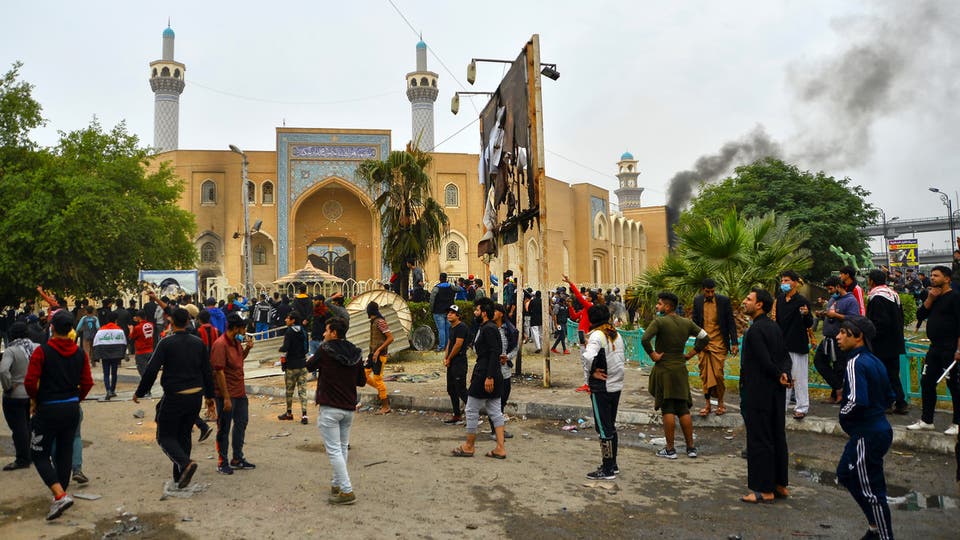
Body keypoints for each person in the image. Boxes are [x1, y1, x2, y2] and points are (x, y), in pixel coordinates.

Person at [133, 308, 217, 490]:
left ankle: (185, 464)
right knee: (184, 435)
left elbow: (151, 369)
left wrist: (140, 392)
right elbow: (207, 371)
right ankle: (180, 478)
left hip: (175, 396)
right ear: (188, 321)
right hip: (195, 396)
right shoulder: (198, 343)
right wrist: (210, 397)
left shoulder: (166, 343)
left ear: (171, 322)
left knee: (164, 437)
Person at [24, 310, 93, 520]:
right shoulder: (79, 353)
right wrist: (76, 399)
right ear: (71, 329)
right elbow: (87, 382)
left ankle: (59, 495)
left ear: (52, 327)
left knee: (38, 453)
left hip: (48, 408)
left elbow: (30, 381)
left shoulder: (42, 352)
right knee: (64, 452)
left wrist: (35, 399)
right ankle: (61, 495)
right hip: (71, 408)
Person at [835, 317, 895, 540]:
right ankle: (874, 527)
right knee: (845, 473)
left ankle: (882, 535)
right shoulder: (875, 361)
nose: (838, 337)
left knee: (872, 492)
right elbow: (890, 396)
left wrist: (843, 415)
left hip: (867, 434)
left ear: (858, 336)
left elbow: (856, 400)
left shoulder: (855, 362)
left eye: (843, 332)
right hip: (878, 430)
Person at [738, 288, 792, 504]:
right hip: (776, 392)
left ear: (759, 304)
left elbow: (763, 360)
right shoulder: (774, 327)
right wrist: (784, 374)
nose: (744, 302)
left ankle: (764, 489)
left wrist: (778, 373)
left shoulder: (755, 331)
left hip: (758, 391)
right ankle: (780, 484)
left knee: (759, 439)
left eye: (748, 299)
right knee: (776, 435)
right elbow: (785, 356)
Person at [305, 316, 365, 505]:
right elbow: (361, 381)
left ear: (334, 333)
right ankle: (337, 484)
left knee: (334, 450)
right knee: (342, 448)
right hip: (348, 408)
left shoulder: (325, 350)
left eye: (327, 330)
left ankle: (346, 490)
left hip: (330, 407)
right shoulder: (356, 352)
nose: (324, 333)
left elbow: (309, 366)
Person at [641, 292, 709, 459]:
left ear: (667, 306)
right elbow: (705, 337)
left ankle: (670, 449)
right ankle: (691, 448)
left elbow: (644, 339)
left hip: (664, 369)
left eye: (659, 304)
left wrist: (653, 355)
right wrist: (691, 354)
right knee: (683, 408)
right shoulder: (687, 323)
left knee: (668, 408)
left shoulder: (659, 322)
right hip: (680, 368)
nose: (657, 306)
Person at [451, 302, 507, 459]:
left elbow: (494, 352)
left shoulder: (488, 329)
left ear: (484, 313)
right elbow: (494, 353)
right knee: (495, 411)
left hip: (485, 374)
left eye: (477, 310)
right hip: (489, 372)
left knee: (471, 409)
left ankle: (469, 446)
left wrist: (489, 376)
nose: (474, 312)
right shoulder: (488, 327)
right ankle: (500, 448)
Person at [908, 266, 960, 434]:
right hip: (935, 348)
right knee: (927, 382)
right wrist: (930, 298)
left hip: (950, 348)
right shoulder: (934, 296)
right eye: (931, 275)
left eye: (936, 275)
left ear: (947, 279)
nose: (932, 278)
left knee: (954, 385)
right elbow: (920, 315)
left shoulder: (955, 297)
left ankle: (957, 423)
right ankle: (926, 420)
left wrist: (959, 350)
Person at [582, 305, 626, 480]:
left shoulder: (596, 336)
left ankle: (607, 468)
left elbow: (588, 356)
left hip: (602, 386)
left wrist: (591, 373)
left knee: (603, 428)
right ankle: (612, 464)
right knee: (610, 426)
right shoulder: (615, 334)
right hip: (616, 384)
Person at [211, 313, 255, 474]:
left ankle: (237, 457)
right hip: (226, 393)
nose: (245, 330)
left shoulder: (236, 343)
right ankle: (222, 461)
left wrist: (247, 349)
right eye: (243, 327)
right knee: (224, 427)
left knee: (241, 423)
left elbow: (239, 360)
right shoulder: (220, 344)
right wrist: (226, 398)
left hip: (239, 391)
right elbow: (219, 372)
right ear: (236, 328)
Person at [691, 278, 739, 417]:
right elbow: (695, 323)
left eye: (712, 291)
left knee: (718, 374)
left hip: (719, 343)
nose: (710, 294)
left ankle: (721, 403)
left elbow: (730, 322)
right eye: (708, 292)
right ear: (703, 290)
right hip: (703, 344)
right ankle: (707, 405)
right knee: (705, 375)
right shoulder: (697, 301)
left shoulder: (723, 301)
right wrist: (700, 341)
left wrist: (734, 343)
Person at [813, 276, 861, 404]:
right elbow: (830, 315)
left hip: (841, 339)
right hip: (828, 338)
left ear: (838, 287)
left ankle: (837, 394)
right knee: (819, 361)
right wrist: (823, 314)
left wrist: (836, 315)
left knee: (839, 367)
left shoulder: (850, 300)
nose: (829, 292)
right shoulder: (833, 299)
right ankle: (838, 388)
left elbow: (854, 318)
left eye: (830, 289)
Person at [866, 270, 908, 415]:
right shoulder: (893, 295)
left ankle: (887, 403)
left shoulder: (877, 297)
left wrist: (871, 337)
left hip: (882, 343)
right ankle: (901, 403)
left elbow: (879, 322)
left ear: (871, 281)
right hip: (895, 341)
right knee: (893, 374)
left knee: (882, 374)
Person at [774, 270, 814, 420]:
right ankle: (781, 406)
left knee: (799, 378)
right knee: (783, 377)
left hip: (797, 344)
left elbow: (809, 323)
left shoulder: (802, 301)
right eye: (782, 281)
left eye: (787, 280)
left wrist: (806, 314)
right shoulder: (780, 300)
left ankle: (801, 407)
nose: (783, 283)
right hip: (782, 345)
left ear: (795, 282)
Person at [1, 322, 37, 471]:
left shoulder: (11, 350)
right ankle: (32, 454)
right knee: (28, 425)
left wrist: (8, 387)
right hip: (33, 393)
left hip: (16, 394)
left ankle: (23, 458)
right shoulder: (36, 348)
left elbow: (3, 370)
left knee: (18, 427)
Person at [563, 274, 595, 392]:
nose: (585, 297)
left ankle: (589, 384)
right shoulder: (585, 309)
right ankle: (587, 383)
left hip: (586, 336)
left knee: (587, 360)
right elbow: (574, 316)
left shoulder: (589, 307)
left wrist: (571, 283)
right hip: (582, 336)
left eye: (587, 295)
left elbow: (579, 297)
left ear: (591, 298)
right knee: (584, 360)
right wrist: (570, 307)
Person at [277, 311, 310, 424]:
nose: (286, 320)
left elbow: (285, 348)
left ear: (293, 320)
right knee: (303, 391)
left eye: (288, 318)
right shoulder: (304, 331)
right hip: (302, 365)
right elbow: (306, 349)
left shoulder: (289, 332)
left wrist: (280, 349)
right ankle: (304, 415)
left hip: (291, 366)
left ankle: (289, 413)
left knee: (289, 391)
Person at [492, 303, 518, 439]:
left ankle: (499, 428)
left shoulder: (509, 329)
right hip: (491, 370)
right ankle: (495, 430)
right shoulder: (487, 328)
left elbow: (515, 347)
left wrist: (507, 357)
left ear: (501, 314)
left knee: (502, 400)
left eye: (495, 311)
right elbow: (478, 347)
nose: (492, 313)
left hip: (505, 370)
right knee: (493, 401)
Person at [364, 302, 393, 414]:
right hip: (372, 354)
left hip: (379, 355)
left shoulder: (380, 322)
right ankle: (381, 391)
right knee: (364, 376)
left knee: (378, 379)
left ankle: (386, 406)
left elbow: (390, 338)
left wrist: (378, 350)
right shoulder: (373, 321)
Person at [442, 305, 469, 424]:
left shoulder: (461, 327)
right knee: (451, 389)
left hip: (459, 361)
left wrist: (449, 358)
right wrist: (446, 358)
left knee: (461, 389)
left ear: (458, 315)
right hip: (452, 362)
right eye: (448, 313)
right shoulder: (451, 328)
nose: (449, 315)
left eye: (452, 313)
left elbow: (458, 344)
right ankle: (457, 414)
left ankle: (473, 412)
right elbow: (450, 343)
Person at [92, 311, 127, 399]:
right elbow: (124, 343)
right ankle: (112, 390)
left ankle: (108, 390)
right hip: (116, 354)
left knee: (106, 373)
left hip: (104, 354)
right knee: (114, 373)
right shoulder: (119, 330)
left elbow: (95, 343)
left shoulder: (101, 330)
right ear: (116, 320)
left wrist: (96, 356)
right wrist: (123, 355)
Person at [429, 273, 461, 352]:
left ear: (439, 278)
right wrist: (456, 283)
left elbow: (432, 300)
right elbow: (460, 289)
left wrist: (431, 309)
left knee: (441, 329)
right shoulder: (451, 286)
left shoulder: (436, 288)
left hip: (438, 311)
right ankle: (448, 346)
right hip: (449, 312)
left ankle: (441, 347)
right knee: (448, 329)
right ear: (446, 278)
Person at [130, 310, 155, 379]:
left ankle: (146, 384)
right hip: (150, 350)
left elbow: (132, 337)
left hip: (141, 352)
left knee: (142, 371)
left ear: (138, 317)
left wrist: (131, 329)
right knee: (149, 370)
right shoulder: (151, 325)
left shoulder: (137, 327)